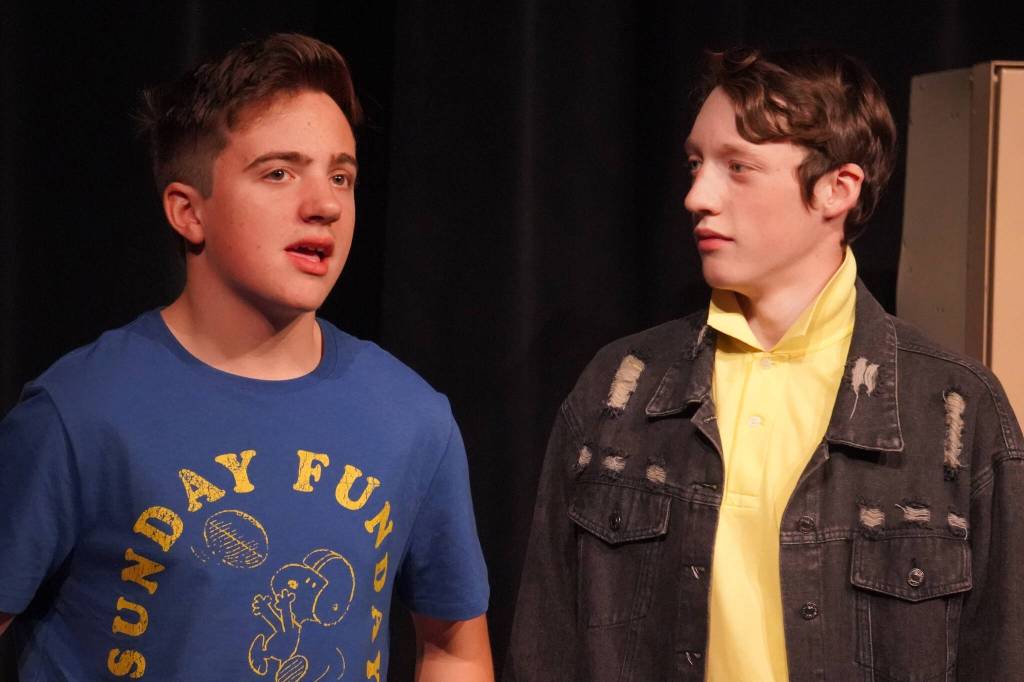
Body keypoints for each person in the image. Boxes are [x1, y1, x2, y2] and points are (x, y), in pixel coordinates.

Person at [506, 48, 1024, 681]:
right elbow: (545, 648)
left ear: (838, 188)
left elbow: (1002, 655)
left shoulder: (955, 410)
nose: (698, 195)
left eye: (738, 167)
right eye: (696, 164)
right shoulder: (620, 390)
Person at [0, 33, 492, 681]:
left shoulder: (412, 418)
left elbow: (454, 645)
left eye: (340, 175)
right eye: (280, 173)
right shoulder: (79, 414)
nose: (324, 205)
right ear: (187, 212)